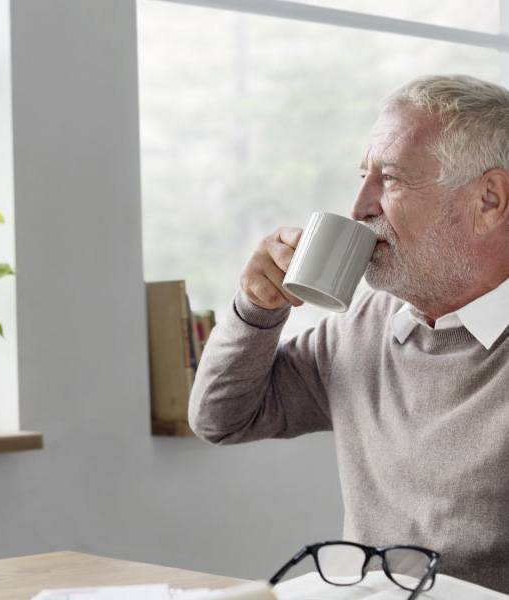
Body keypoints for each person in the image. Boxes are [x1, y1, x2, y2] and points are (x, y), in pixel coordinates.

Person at [188, 74, 509, 593]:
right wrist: (258, 307)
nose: (359, 206)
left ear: (489, 200)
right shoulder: (366, 323)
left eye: (392, 179)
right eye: (364, 176)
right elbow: (223, 418)